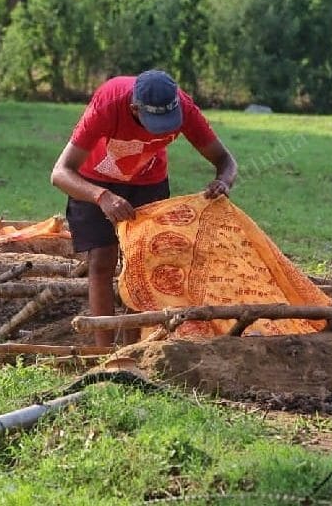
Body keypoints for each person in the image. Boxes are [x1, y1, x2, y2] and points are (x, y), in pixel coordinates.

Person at [50, 70, 238, 347]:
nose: (160, 130)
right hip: (94, 180)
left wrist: (222, 182)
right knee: (102, 261)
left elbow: (226, 161)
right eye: (154, 122)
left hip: (149, 182)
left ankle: (134, 346)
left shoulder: (184, 107)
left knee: (141, 262)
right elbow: (60, 173)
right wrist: (102, 197)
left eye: (167, 123)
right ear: (134, 108)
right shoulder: (109, 103)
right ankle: (103, 352)